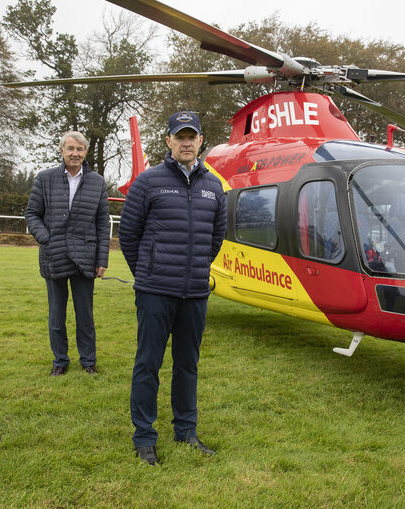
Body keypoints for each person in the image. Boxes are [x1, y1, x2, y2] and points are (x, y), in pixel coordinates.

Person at [118, 111, 227, 465]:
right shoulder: (148, 182)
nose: (186, 142)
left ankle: (186, 431)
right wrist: (148, 273)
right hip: (155, 292)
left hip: (194, 292)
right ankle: (144, 437)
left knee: (187, 365)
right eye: (179, 136)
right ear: (168, 141)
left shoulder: (213, 186)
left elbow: (216, 238)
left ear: (200, 141)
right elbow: (129, 236)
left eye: (191, 136)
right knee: (147, 364)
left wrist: (193, 270)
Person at [25, 131, 110, 376]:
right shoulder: (45, 178)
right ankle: (60, 361)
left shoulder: (97, 182)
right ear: (62, 150)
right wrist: (45, 238)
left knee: (85, 315)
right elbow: (32, 214)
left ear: (85, 152)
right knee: (56, 316)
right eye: (70, 148)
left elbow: (102, 223)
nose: (75, 153)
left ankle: (88, 361)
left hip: (85, 258)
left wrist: (101, 259)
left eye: (80, 149)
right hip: (55, 255)